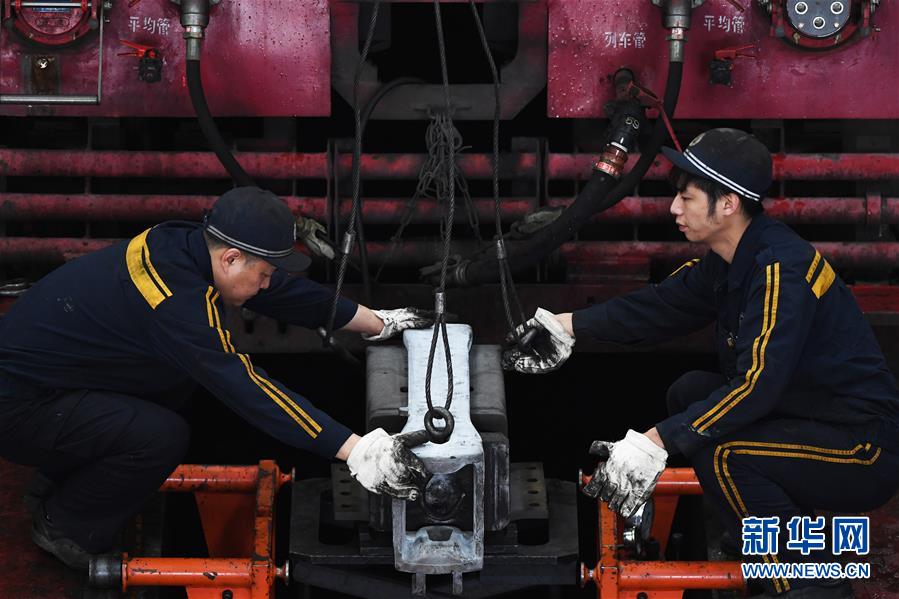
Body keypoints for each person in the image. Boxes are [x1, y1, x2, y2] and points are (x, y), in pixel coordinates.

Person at [503, 129, 899, 598]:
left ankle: (809, 584)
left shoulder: (781, 273)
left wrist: (654, 442)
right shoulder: (730, 261)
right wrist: (567, 325)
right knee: (690, 392)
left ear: (728, 203)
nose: (674, 208)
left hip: (863, 447)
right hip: (809, 418)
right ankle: (762, 531)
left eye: (686, 198)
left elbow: (756, 386)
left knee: (725, 457)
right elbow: (659, 307)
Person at [0, 186, 432, 570]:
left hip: (47, 384)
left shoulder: (181, 245)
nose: (267, 285)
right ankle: (65, 526)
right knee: (160, 437)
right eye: (264, 274)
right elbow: (246, 387)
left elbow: (282, 294)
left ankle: (61, 478)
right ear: (230, 258)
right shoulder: (176, 306)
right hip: (18, 410)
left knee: (170, 379)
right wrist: (357, 450)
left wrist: (378, 322)